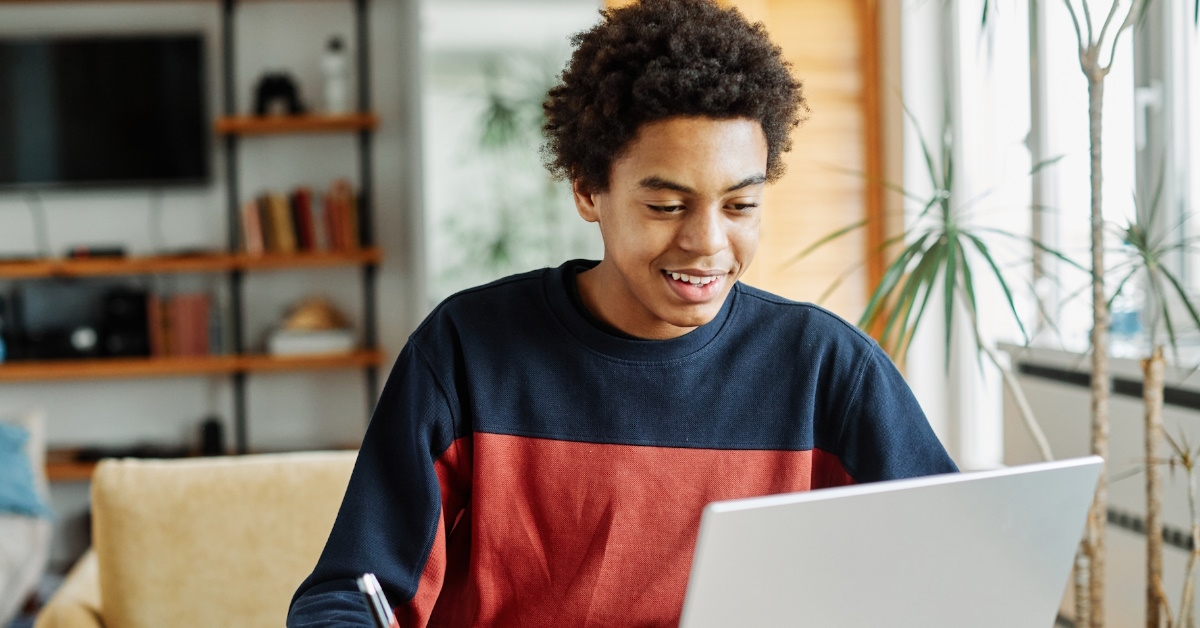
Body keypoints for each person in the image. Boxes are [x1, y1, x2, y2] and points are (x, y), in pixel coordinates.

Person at [287, 0, 956, 626]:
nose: (708, 243)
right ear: (587, 188)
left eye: (741, 206)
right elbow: (347, 595)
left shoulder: (827, 369)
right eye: (665, 206)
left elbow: (961, 568)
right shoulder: (465, 352)